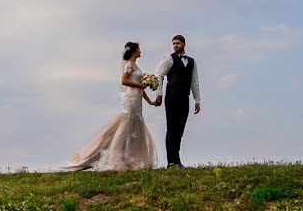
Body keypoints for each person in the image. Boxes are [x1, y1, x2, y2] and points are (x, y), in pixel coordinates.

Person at [60, 42, 160, 171]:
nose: (141, 51)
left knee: (135, 126)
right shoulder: (129, 65)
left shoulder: (135, 66)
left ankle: (131, 159)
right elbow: (124, 81)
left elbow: (140, 88)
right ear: (134, 51)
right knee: (126, 125)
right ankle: (116, 158)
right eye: (139, 49)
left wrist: (149, 101)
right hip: (131, 99)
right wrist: (141, 85)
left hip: (137, 99)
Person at [155, 34, 200, 168]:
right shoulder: (168, 59)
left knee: (180, 130)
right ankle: (171, 162)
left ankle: (177, 160)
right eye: (173, 43)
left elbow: (194, 82)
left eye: (178, 43)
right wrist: (159, 94)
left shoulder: (192, 62)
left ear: (184, 44)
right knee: (172, 128)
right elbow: (159, 75)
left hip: (184, 98)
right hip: (172, 97)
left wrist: (197, 99)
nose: (175, 46)